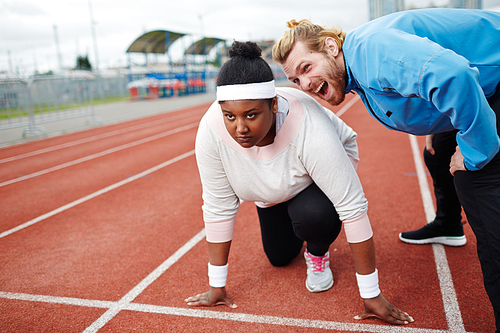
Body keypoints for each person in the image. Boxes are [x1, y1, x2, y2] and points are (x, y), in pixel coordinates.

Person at [272, 8, 500, 330]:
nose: (304, 84)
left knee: (476, 184)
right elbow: (430, 76)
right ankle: (449, 225)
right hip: (486, 82)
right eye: (295, 80)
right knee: (438, 155)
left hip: (494, 82)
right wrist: (441, 125)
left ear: (331, 47)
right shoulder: (356, 70)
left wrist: (476, 151)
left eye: (306, 68)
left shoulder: (371, 50)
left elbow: (454, 75)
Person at [185, 41, 414, 325]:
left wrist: (371, 294)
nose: (240, 128)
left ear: (274, 104)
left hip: (310, 181)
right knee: (279, 257)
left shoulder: (309, 125)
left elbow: (353, 207)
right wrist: (216, 286)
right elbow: (218, 207)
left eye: (251, 115)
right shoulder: (211, 131)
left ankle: (317, 252)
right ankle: (296, 231)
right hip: (271, 188)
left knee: (314, 217)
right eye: (230, 116)